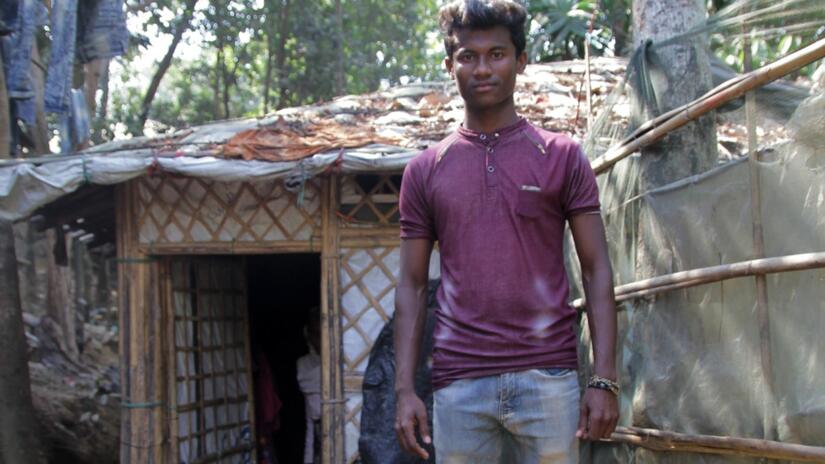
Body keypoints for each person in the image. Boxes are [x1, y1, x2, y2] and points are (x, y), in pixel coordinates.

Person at [393, 1, 619, 463]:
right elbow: (412, 284)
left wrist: (604, 378)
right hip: (459, 385)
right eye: (467, 56)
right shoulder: (425, 170)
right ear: (449, 65)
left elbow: (596, 269)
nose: (482, 68)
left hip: (548, 379)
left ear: (520, 61)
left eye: (497, 54)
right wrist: (403, 390)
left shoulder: (561, 156)